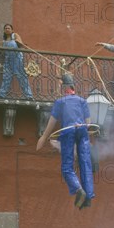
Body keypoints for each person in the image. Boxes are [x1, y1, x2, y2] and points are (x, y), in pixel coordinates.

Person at [36, 74, 94, 209]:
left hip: (69, 132)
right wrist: (84, 128)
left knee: (67, 167)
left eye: (61, 86)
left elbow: (52, 122)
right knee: (85, 163)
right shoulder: (82, 101)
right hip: (82, 131)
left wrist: (44, 137)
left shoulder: (60, 102)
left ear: (65, 87)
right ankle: (88, 198)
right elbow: (89, 123)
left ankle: (78, 190)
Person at [0, 23, 33, 99]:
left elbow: (20, 43)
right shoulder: (4, 41)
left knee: (22, 77)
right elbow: (0, 49)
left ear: (12, 30)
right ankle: (1, 94)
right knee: (6, 77)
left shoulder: (15, 35)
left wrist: (24, 46)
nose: (7, 29)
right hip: (8, 60)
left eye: (8, 28)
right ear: (4, 30)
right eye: (5, 28)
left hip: (17, 59)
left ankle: (29, 96)